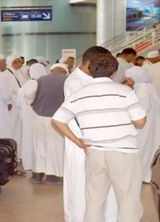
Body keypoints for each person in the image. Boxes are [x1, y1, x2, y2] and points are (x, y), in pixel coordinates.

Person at [52, 53, 146, 222]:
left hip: (94, 152)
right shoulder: (124, 91)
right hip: (124, 152)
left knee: (94, 201)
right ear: (114, 72)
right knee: (128, 201)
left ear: (90, 68)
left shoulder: (80, 93)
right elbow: (140, 121)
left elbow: (58, 120)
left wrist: (77, 141)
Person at [61, 46, 118, 222]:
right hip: (84, 143)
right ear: (90, 63)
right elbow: (79, 116)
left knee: (103, 188)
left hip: (101, 142)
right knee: (82, 187)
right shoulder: (75, 82)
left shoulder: (93, 79)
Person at [22, 63, 68, 184]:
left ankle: (38, 175)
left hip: (40, 117)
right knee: (56, 147)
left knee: (40, 146)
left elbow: (28, 94)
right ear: (65, 71)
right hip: (59, 119)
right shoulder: (67, 81)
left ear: (51, 70)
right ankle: (53, 176)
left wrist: (32, 103)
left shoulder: (39, 80)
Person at [124, 73, 160, 183]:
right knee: (147, 149)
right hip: (147, 125)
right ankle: (143, 174)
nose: (127, 81)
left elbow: (141, 110)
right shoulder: (145, 87)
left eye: (128, 78)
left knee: (142, 149)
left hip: (142, 127)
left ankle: (140, 175)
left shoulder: (143, 90)